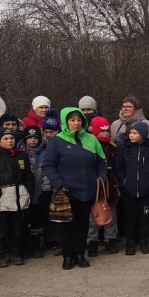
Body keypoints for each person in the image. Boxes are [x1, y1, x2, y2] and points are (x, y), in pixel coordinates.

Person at [42, 107, 108, 270]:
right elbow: (48, 165)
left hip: (87, 190)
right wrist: (59, 183)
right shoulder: (57, 141)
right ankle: (67, 256)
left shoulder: (91, 139)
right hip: (66, 191)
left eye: (79, 120)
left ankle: (79, 254)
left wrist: (101, 177)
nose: (76, 123)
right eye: (72, 120)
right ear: (65, 122)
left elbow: (101, 161)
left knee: (83, 224)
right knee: (66, 226)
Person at [0, 127, 35, 266]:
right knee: (0, 229)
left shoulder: (22, 156)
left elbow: (29, 176)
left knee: (17, 228)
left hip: (19, 197)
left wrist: (28, 191)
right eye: (5, 139)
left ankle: (15, 252)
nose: (9, 141)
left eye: (11, 138)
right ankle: (0, 254)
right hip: (2, 198)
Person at [116, 122, 149, 255]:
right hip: (128, 191)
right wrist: (124, 182)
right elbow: (119, 168)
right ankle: (130, 243)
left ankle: (143, 241)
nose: (131, 135)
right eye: (130, 133)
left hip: (146, 191)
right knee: (129, 219)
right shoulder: (124, 149)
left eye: (134, 133)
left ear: (143, 134)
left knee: (144, 218)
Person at [87, 117, 120, 256]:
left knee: (111, 214)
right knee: (94, 216)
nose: (105, 134)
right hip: (95, 186)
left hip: (111, 186)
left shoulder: (113, 147)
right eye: (102, 131)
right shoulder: (90, 147)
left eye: (107, 131)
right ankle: (92, 242)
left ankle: (110, 240)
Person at [23, 126, 52, 259]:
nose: (33, 140)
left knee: (38, 219)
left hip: (42, 190)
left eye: (35, 138)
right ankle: (25, 246)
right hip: (25, 190)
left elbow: (49, 169)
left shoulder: (45, 152)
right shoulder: (21, 152)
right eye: (30, 138)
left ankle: (36, 246)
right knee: (24, 220)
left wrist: (46, 187)